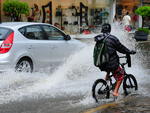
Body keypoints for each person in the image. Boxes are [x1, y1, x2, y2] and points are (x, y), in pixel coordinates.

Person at [94, 23, 136, 96]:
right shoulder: (112, 38)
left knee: (109, 67)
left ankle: (106, 78)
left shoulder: (98, 38)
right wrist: (129, 52)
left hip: (101, 63)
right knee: (121, 75)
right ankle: (115, 91)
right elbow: (121, 48)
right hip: (111, 63)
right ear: (110, 30)